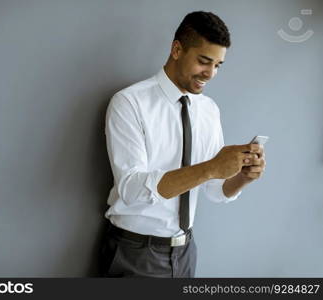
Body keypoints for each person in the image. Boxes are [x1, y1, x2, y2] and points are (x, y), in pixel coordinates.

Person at [99, 11, 266, 278]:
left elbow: (214, 189)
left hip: (185, 252)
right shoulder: (130, 103)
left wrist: (242, 177)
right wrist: (212, 167)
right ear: (177, 49)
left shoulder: (209, 110)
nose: (210, 73)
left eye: (218, 65)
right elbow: (131, 188)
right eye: (204, 61)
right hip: (135, 253)